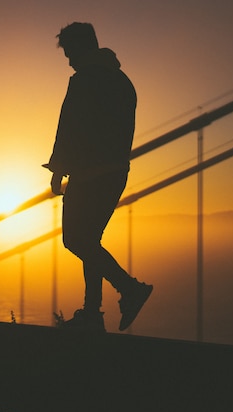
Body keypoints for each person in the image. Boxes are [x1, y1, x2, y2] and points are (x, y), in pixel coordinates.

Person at [43, 22, 152, 332]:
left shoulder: (84, 80)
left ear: (80, 48)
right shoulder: (122, 80)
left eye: (68, 52)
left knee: (75, 240)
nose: (68, 60)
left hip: (88, 175)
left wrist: (58, 170)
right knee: (90, 241)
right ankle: (93, 313)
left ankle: (130, 288)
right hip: (116, 173)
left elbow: (70, 128)